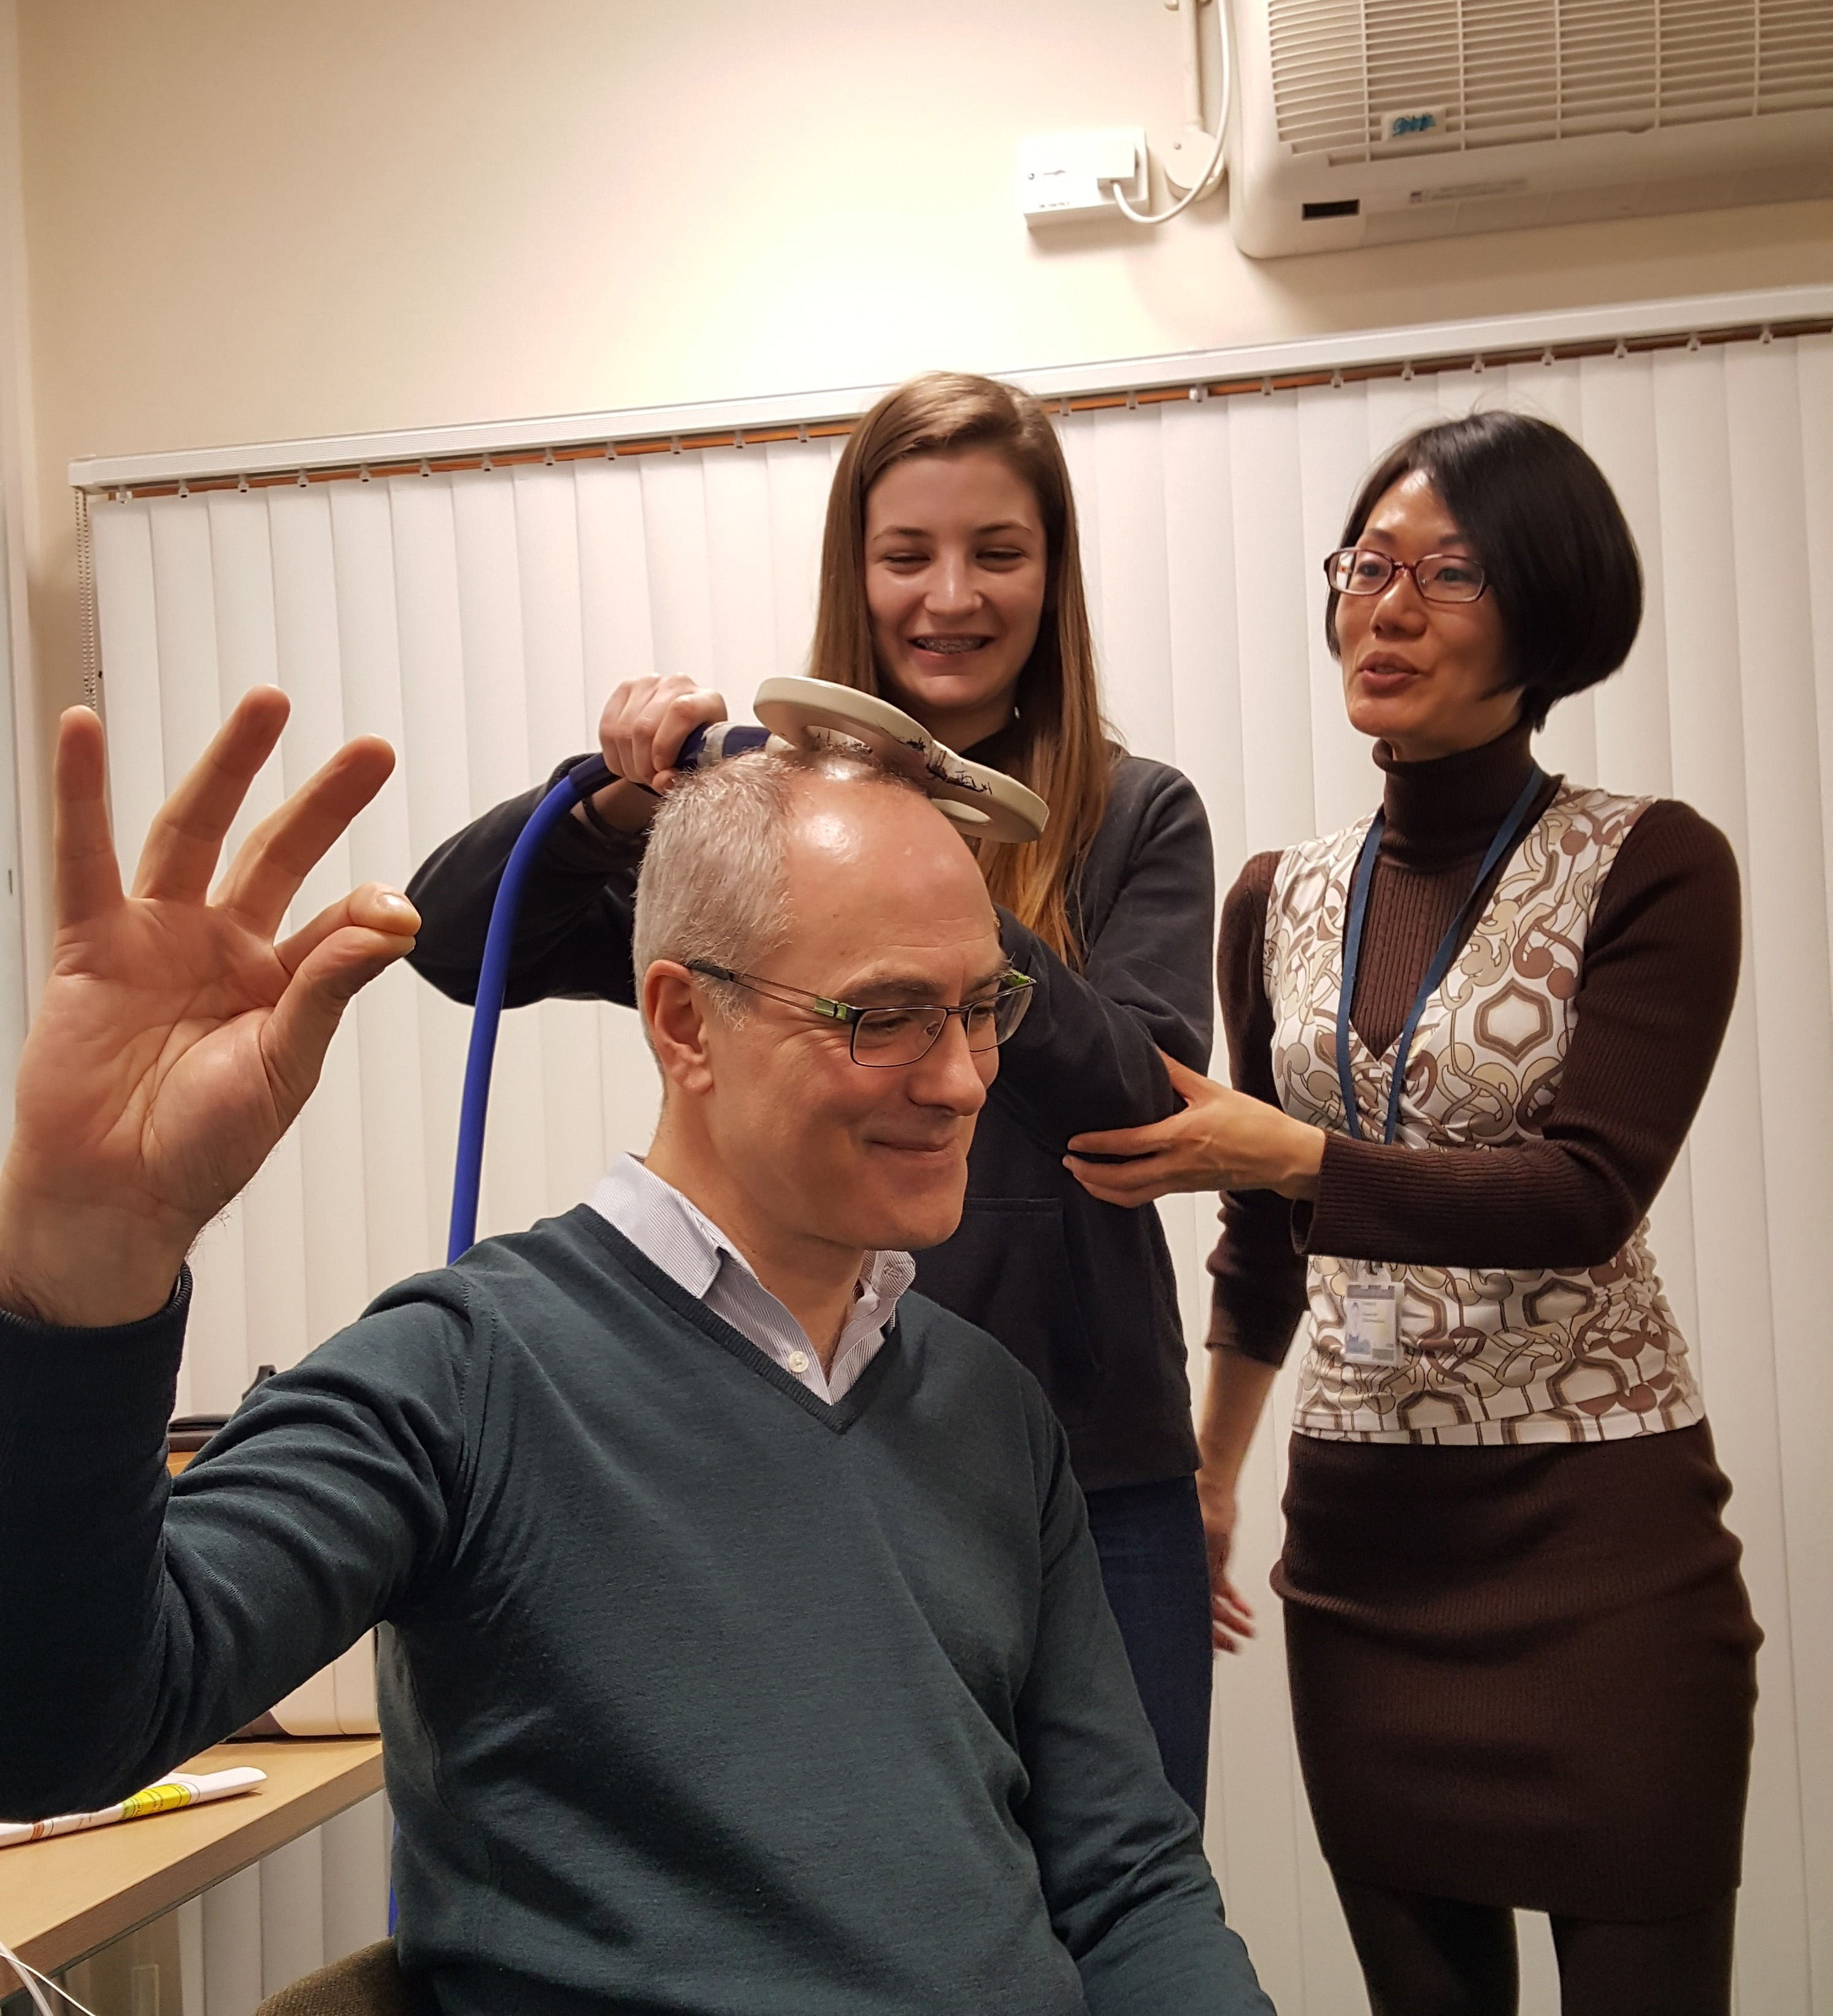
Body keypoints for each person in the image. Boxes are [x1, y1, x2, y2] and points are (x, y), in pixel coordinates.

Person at [0, 689, 1272, 2016]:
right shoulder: (464, 1375)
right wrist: (84, 1279)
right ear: (682, 1023)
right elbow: (57, 1735)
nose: (961, 1079)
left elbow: (1130, 1883)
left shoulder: (990, 1408)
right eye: (885, 1016)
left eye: (980, 1007)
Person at [404, 373, 1221, 1818]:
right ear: (855, 572)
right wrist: (606, 800)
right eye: (906, 553)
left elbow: (1130, 1105)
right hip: (807, 1445)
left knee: (1122, 1885)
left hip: (1098, 1470)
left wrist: (918, 860)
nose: (951, 595)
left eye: (1000, 552)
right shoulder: (756, 833)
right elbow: (459, 937)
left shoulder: (1139, 811)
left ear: (1056, 577)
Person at [1064, 413, 1760, 2016]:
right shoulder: (1277, 896)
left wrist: (1292, 1156)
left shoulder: (1646, 864)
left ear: (1549, 614)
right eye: (1367, 566)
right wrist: (1214, 1475)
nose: (1387, 608)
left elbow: (1585, 1195)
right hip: (1366, 1551)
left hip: (1600, 1547)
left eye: (1447, 574)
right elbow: (1259, 1242)